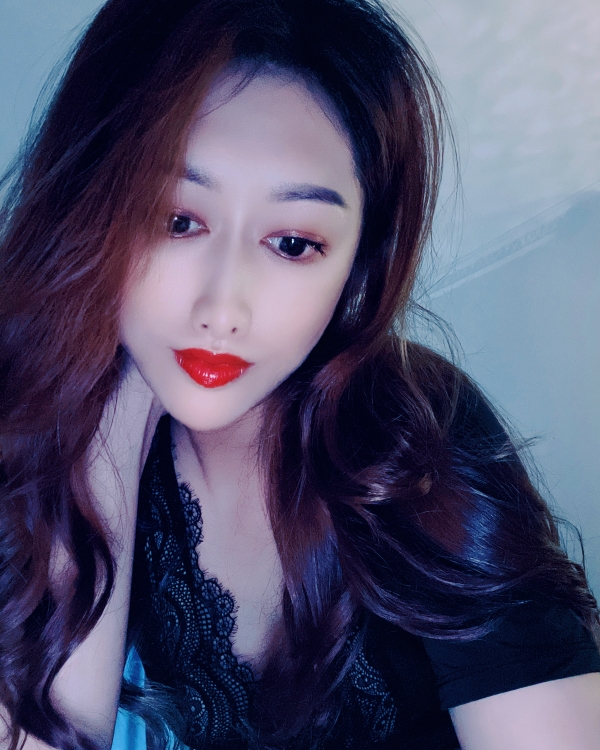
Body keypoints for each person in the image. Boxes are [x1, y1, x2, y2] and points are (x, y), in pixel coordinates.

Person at [0, 0, 599, 748]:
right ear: (89, 211)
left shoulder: (413, 437)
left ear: (356, 265)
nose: (223, 310)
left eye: (292, 243)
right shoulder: (46, 440)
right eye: (174, 220)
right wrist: (112, 406)